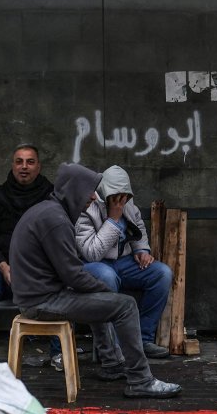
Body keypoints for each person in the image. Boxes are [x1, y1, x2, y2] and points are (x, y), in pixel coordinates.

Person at [9, 163, 181, 399]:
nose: (93, 196)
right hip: (42, 302)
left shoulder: (49, 212)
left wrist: (101, 294)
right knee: (125, 305)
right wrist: (107, 293)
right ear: (74, 190)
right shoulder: (56, 220)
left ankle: (112, 365)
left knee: (99, 300)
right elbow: (73, 274)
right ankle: (141, 380)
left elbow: (70, 274)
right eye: (88, 190)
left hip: (40, 295)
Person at [74, 165, 173, 359]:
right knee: (107, 276)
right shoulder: (87, 206)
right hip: (92, 264)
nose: (121, 201)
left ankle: (143, 340)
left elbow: (139, 226)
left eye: (124, 197)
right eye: (116, 197)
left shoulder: (127, 202)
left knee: (162, 274)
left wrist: (142, 250)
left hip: (123, 261)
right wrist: (113, 219)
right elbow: (92, 253)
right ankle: (115, 349)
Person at [0, 144, 55, 360]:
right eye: (19, 161)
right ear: (12, 165)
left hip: (41, 270)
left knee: (64, 283)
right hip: (3, 268)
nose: (24, 167)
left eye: (30, 162)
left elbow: (58, 238)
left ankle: (59, 353)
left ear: (38, 166)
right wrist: (3, 266)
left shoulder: (51, 197)